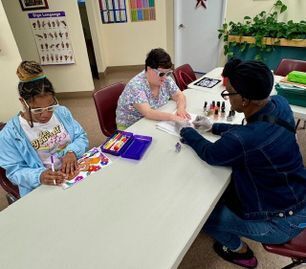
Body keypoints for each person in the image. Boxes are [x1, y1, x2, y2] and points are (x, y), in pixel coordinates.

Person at [176, 59, 306, 268]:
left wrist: (186, 130)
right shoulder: (279, 103)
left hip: (281, 223)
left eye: (228, 93)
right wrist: (213, 127)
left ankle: (241, 252)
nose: (226, 98)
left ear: (245, 100)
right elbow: (254, 131)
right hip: (298, 195)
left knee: (203, 218)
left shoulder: (244, 140)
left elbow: (211, 153)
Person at [0, 61, 89, 197]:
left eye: (50, 107)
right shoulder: (10, 134)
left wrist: (71, 152)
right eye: (37, 110)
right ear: (22, 102)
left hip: (74, 174)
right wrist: (39, 176)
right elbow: (14, 172)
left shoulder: (62, 112)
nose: (46, 114)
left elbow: (81, 136)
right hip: (42, 187)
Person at [116, 48, 190, 129]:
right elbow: (148, 113)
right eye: (161, 74)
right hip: (131, 126)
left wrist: (181, 109)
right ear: (149, 69)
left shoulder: (165, 78)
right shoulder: (136, 85)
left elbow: (179, 95)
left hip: (153, 121)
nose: (165, 78)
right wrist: (173, 117)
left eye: (168, 73)